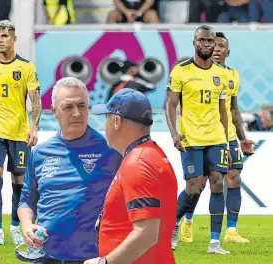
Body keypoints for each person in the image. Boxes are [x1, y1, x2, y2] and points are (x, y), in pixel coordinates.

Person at [18, 77, 122, 264]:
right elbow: (26, 200)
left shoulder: (111, 150)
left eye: (82, 106)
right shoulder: (40, 153)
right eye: (68, 107)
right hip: (45, 256)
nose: (76, 113)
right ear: (55, 111)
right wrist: (26, 225)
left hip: (92, 258)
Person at [85, 88, 178, 264]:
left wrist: (104, 263)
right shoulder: (147, 155)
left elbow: (146, 233)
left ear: (116, 121)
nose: (104, 126)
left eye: (106, 118)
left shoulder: (138, 162)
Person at [180, 32, 256, 244]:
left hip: (227, 135)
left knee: (233, 178)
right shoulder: (194, 72)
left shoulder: (232, 76)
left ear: (227, 52)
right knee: (200, 184)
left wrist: (242, 138)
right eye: (216, 45)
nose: (218, 49)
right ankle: (187, 219)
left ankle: (231, 231)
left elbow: (233, 109)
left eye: (222, 46)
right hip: (203, 136)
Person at [0, 20, 42, 246]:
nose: (0, 41)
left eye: (4, 36)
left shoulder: (26, 67)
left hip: (19, 133)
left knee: (19, 183)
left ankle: (14, 226)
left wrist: (34, 127)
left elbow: (35, 99)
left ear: (14, 39)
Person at [166, 25, 231, 254]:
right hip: (191, 138)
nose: (206, 44)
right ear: (194, 43)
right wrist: (174, 133)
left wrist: (227, 139)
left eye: (209, 41)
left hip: (216, 137)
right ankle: (173, 223)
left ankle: (215, 242)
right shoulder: (181, 71)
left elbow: (223, 110)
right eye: (201, 40)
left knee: (217, 183)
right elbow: (171, 104)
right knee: (194, 187)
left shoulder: (221, 74)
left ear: (214, 43)